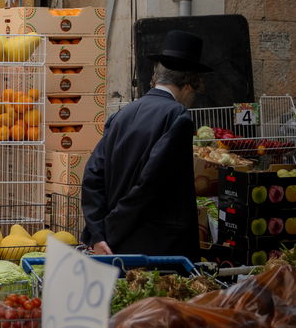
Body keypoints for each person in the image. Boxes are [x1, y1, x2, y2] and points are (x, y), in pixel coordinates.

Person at [82, 30, 209, 259]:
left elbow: (92, 176)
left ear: (156, 76)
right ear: (190, 84)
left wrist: (98, 234)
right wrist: (107, 232)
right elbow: (149, 185)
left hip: (114, 246)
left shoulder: (122, 114)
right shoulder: (177, 117)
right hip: (156, 249)